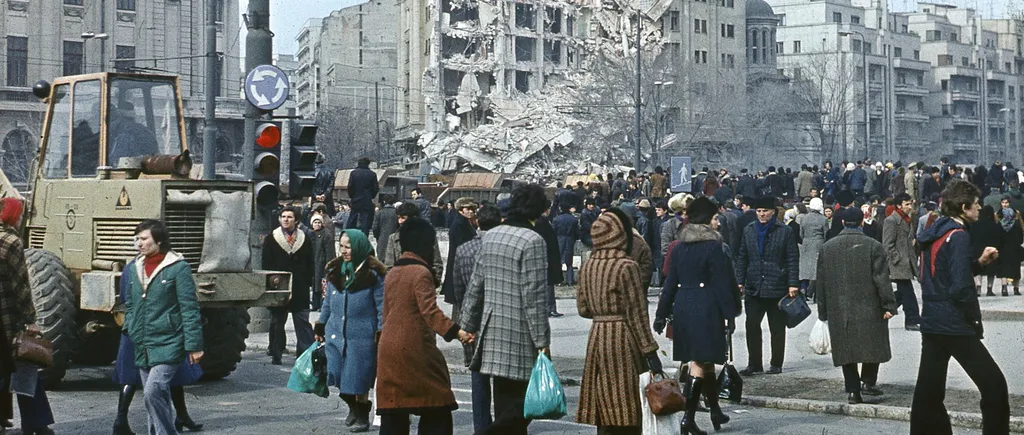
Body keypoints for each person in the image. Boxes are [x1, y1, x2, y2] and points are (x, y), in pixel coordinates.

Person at [911, 179, 1009, 435]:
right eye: (976, 205)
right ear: (964, 207)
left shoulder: (936, 232)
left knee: (928, 394)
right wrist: (972, 319)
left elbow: (945, 276)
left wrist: (978, 263)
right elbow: (959, 287)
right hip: (953, 323)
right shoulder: (960, 236)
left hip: (931, 320)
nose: (980, 209)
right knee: (994, 385)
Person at [461, 184, 551, 435]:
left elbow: (476, 285)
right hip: (520, 334)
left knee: (504, 401)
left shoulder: (491, 236)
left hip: (492, 333)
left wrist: (466, 325)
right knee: (523, 406)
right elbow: (534, 296)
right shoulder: (533, 241)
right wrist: (543, 340)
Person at [376, 218, 474, 435]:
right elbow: (430, 312)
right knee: (437, 399)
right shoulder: (421, 273)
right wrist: (457, 332)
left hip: (388, 347)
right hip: (414, 345)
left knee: (395, 406)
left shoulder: (393, 272)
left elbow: (386, 312)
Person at [654, 197, 741, 434]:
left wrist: (661, 315)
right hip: (707, 309)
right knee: (700, 363)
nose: (719, 223)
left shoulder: (679, 248)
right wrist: (731, 313)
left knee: (705, 361)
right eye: (715, 218)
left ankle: (715, 410)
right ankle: (688, 419)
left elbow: (670, 283)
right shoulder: (715, 248)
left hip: (684, 308)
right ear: (705, 222)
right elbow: (724, 284)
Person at [576, 208, 662, 434]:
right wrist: (651, 352)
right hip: (623, 338)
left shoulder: (588, 265)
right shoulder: (626, 266)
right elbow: (637, 313)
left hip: (597, 336)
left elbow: (583, 309)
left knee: (603, 399)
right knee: (626, 399)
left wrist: (602, 313)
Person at [122, 219, 204, 435]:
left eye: (144, 239)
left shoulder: (178, 268)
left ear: (158, 240)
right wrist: (131, 326)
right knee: (156, 400)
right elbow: (130, 303)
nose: (138, 243)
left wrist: (194, 345)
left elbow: (189, 308)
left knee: (152, 392)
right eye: (137, 239)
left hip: (169, 341)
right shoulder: (134, 268)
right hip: (143, 343)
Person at [815, 207, 898, 404]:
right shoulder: (873, 245)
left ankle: (853, 390)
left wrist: (823, 311)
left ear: (843, 222)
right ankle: (868, 382)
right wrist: (888, 305)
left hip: (839, 307)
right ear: (862, 222)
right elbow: (882, 280)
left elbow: (821, 283)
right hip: (869, 305)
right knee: (873, 343)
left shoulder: (827, 247)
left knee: (847, 349)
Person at [314, 229, 386, 432]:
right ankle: (352, 406)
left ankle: (361, 415)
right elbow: (327, 302)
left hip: (362, 336)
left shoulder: (374, 275)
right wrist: (321, 324)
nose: (344, 251)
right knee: (335, 374)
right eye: (342, 246)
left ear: (360, 247)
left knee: (357, 378)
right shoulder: (335, 271)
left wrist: (381, 332)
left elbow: (382, 307)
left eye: (348, 247)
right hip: (336, 332)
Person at [0, 198, 55, 435]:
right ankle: (37, 424)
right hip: (7, 320)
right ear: (14, 216)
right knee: (25, 368)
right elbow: (20, 286)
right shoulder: (11, 242)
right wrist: (30, 319)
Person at [734, 196, 799, 376]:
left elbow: (792, 258)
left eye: (765, 211)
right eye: (759, 211)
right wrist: (739, 281)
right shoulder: (749, 230)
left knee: (777, 327)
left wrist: (793, 283)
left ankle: (776, 363)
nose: (762, 214)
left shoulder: (785, 232)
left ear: (773, 212)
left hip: (776, 285)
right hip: (754, 285)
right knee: (752, 325)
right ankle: (754, 363)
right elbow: (742, 257)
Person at [451, 205, 502, 433]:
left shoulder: (463, 250)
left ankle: (481, 426)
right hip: (500, 318)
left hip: (473, 320)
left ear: (477, 223)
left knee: (478, 377)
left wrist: (465, 319)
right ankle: (503, 425)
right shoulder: (502, 248)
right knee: (502, 379)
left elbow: (459, 289)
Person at [262, 206, 315, 365]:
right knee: (277, 322)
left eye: (289, 217)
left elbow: (309, 262)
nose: (286, 219)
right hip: (278, 286)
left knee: (302, 321)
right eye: (283, 216)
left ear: (296, 220)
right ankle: (276, 352)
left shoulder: (304, 238)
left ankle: (305, 354)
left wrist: (308, 281)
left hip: (300, 287)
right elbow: (266, 262)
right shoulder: (272, 238)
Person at [883, 193, 921, 330]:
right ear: (899, 205)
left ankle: (884, 310)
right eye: (907, 204)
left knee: (902, 293)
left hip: (907, 261)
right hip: (899, 263)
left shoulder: (906, 219)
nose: (909, 207)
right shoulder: (891, 220)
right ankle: (912, 320)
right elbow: (887, 244)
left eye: (910, 204)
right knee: (908, 292)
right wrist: (896, 258)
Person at [383, 203, 444, 284]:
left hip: (423, 283)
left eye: (403, 218)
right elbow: (389, 266)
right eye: (399, 218)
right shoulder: (393, 238)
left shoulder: (428, 236)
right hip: (400, 284)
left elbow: (437, 263)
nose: (400, 221)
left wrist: (433, 282)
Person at [442, 198, 478, 304]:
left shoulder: (463, 222)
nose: (471, 211)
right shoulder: (459, 224)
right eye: (468, 209)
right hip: (459, 264)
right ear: (460, 210)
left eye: (473, 209)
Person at [534, 208, 565, 317]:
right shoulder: (544, 223)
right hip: (548, 258)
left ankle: (547, 308)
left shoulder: (538, 223)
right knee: (548, 285)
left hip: (542, 257)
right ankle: (550, 308)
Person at [799, 198, 828, 299]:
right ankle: (814, 292)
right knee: (816, 269)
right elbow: (826, 234)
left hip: (806, 243)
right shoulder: (823, 219)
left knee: (805, 268)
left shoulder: (804, 218)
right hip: (818, 243)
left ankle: (803, 287)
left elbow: (801, 233)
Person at [995, 198, 1024, 296]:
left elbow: (997, 233)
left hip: (1003, 247)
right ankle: (1016, 289)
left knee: (1004, 268)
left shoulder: (998, 217)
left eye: (1006, 202)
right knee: (1015, 267)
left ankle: (1004, 289)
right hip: (1015, 246)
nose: (1004, 204)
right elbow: (1021, 231)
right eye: (1003, 202)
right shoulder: (1015, 217)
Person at [971, 205, 1001, 296]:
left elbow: (971, 236)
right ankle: (989, 288)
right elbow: (998, 238)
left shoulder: (975, 224)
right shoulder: (994, 225)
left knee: (979, 267)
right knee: (991, 271)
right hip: (991, 248)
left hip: (977, 248)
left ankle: (978, 287)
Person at [346, 158, 380, 235]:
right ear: (368, 164)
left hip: (356, 200)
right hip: (366, 200)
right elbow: (375, 188)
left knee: (352, 219)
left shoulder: (354, 173)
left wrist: (352, 197)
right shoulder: (372, 174)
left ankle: (350, 236)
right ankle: (364, 238)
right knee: (365, 222)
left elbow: (350, 187)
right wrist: (371, 196)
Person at [310, 214, 337, 311]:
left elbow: (329, 251)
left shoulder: (326, 234)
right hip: (314, 263)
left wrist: (329, 265)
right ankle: (315, 304)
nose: (317, 224)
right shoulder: (311, 234)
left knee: (323, 284)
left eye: (319, 222)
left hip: (322, 263)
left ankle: (322, 305)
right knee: (315, 284)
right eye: (315, 222)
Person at [552, 203, 579, 286]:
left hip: (559, 239)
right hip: (570, 239)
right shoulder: (574, 219)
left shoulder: (556, 219)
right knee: (569, 261)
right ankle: (570, 280)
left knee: (558, 260)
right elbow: (577, 232)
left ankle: (558, 280)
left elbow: (553, 231)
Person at [371, 195, 399, 264]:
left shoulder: (379, 213)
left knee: (381, 262)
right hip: (395, 240)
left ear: (384, 202)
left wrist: (377, 237)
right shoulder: (397, 213)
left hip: (382, 240)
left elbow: (375, 228)